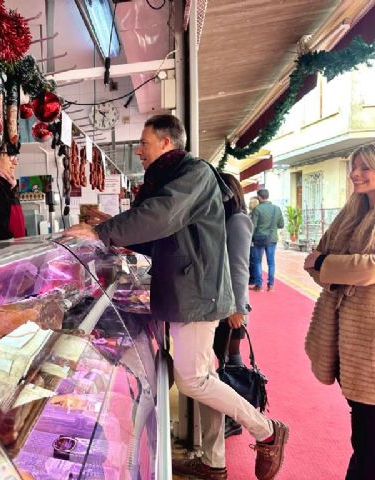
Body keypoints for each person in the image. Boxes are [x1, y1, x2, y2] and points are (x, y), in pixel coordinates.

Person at [65, 114, 288, 480]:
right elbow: (153, 231)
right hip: (185, 290)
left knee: (195, 380)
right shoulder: (171, 176)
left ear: (167, 142)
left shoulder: (194, 173)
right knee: (201, 375)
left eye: (144, 142)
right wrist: (108, 230)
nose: (139, 150)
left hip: (198, 293)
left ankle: (267, 430)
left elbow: (162, 215)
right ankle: (214, 463)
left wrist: (103, 232)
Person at [304, 143, 375, 480]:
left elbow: (370, 268)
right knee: (361, 429)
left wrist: (326, 265)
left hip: (370, 340)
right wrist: (330, 267)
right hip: (349, 339)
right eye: (354, 166)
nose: (356, 173)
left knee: (368, 436)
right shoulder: (352, 211)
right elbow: (313, 259)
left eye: (365, 167)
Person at [212, 173, 253, 439]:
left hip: (232, 308)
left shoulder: (238, 221)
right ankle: (232, 416)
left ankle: (236, 417)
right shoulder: (224, 220)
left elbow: (239, 267)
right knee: (224, 358)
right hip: (221, 304)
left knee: (231, 362)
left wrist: (238, 308)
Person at [250, 189, 284, 291]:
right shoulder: (277, 209)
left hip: (259, 239)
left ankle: (259, 285)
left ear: (259, 197)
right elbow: (281, 225)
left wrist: (250, 239)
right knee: (271, 262)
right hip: (272, 239)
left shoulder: (257, 209)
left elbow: (253, 226)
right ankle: (271, 285)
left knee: (257, 262)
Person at [248, 196, 260, 285]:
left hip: (253, 240)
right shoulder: (253, 213)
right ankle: (255, 279)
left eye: (251, 203)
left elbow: (252, 227)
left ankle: (253, 279)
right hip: (256, 239)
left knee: (253, 260)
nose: (249, 204)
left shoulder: (253, 214)